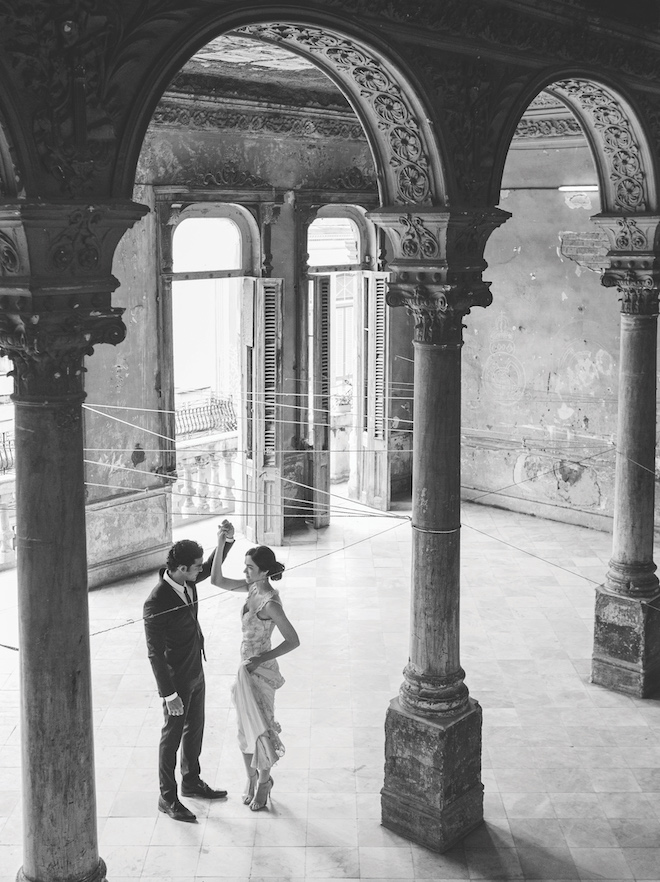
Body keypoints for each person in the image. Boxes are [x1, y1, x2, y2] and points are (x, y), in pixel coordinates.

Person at [144, 525, 235, 823]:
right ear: (181, 568)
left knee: (194, 728)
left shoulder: (188, 580)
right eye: (195, 568)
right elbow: (154, 653)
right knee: (171, 738)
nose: (201, 571)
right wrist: (169, 694)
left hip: (196, 668)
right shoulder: (156, 601)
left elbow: (209, 567)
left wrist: (225, 541)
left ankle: (191, 781)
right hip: (176, 680)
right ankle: (167, 798)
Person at [211, 522, 300, 811]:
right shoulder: (251, 589)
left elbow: (293, 640)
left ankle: (264, 782)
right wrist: (221, 542)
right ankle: (251, 778)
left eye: (250, 568)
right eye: (245, 566)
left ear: (263, 571)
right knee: (244, 728)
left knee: (261, 729)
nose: (245, 572)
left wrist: (261, 659)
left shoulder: (270, 603)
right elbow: (216, 580)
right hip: (243, 667)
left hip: (260, 669)